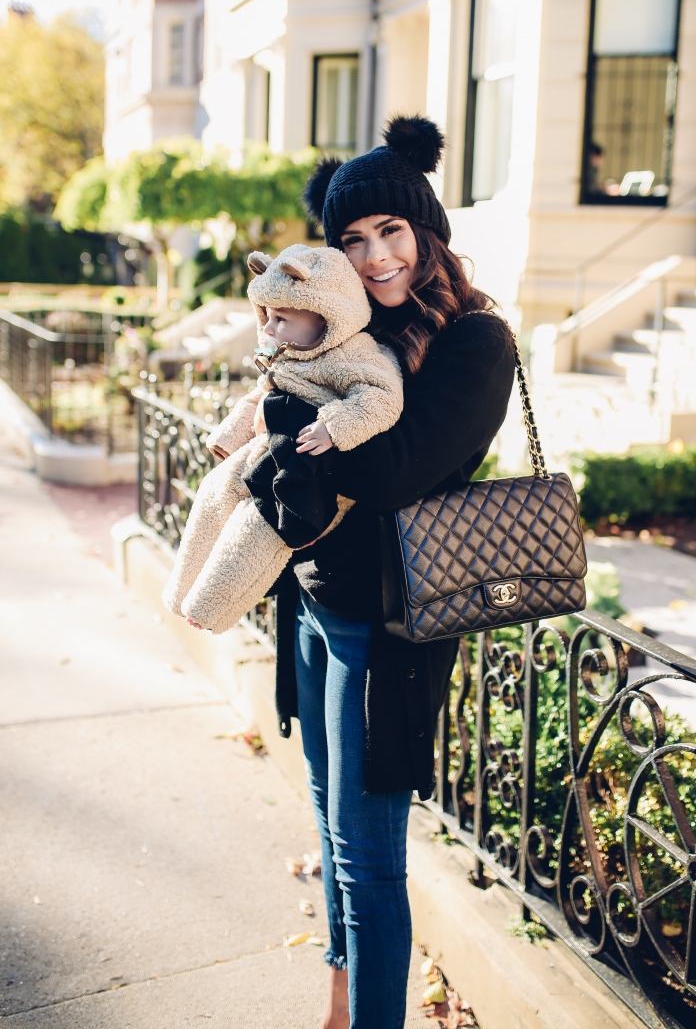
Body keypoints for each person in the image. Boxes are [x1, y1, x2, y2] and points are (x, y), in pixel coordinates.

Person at [271, 114, 516, 1029]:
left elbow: (385, 473)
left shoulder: (474, 343)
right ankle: (337, 1007)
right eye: (352, 240)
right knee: (331, 840)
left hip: (389, 630)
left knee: (370, 860)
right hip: (316, 609)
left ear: (427, 231)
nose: (374, 257)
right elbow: (282, 430)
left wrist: (289, 436)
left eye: (391, 232)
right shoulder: (352, 334)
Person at [161, 242, 403, 634]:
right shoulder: (293, 353)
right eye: (268, 317)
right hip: (266, 451)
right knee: (214, 490)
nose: (270, 328)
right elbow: (261, 394)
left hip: (308, 472)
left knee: (257, 528)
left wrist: (334, 425)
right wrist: (230, 438)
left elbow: (382, 398)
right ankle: (180, 587)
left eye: (282, 319)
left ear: (328, 315)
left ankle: (208, 608)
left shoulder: (356, 355)